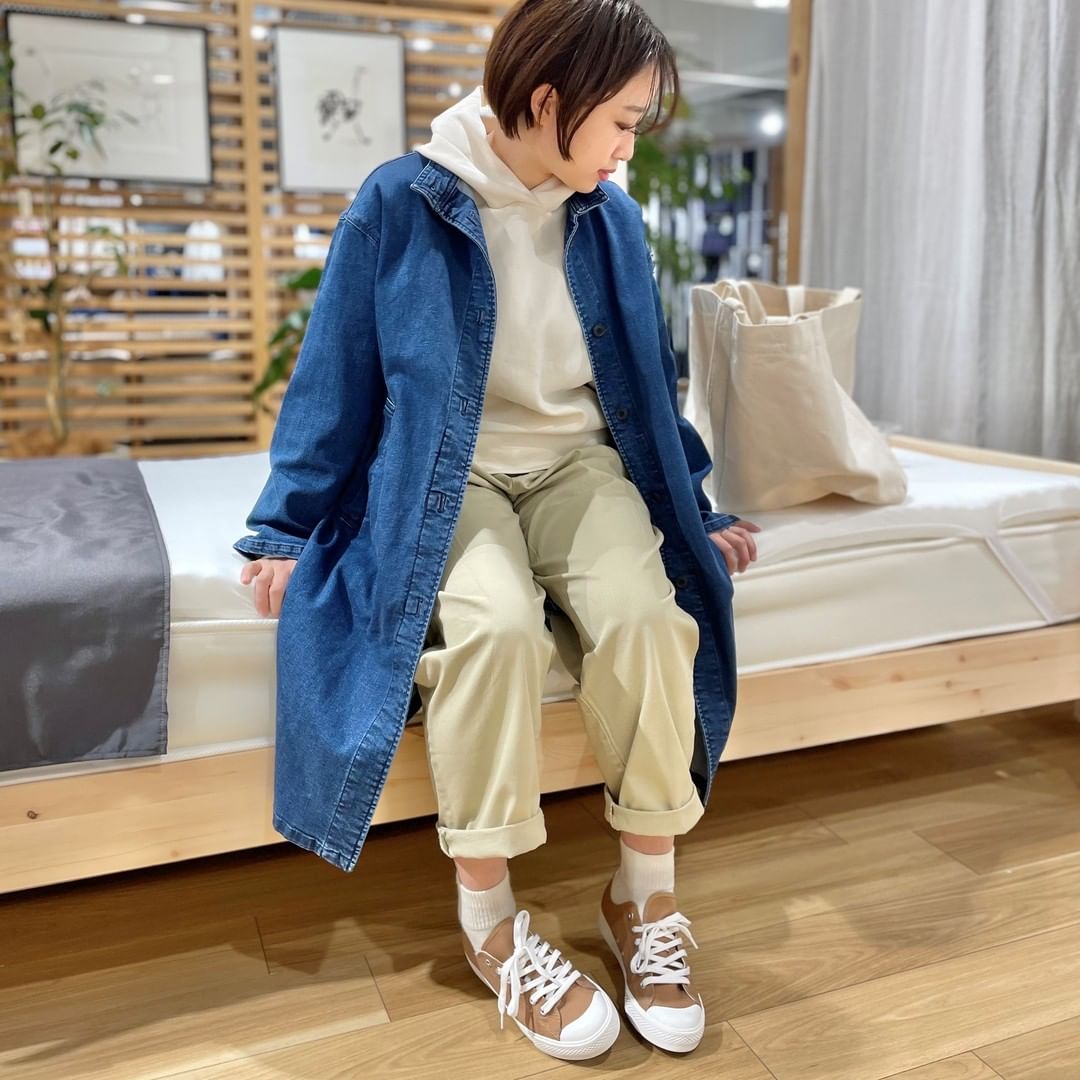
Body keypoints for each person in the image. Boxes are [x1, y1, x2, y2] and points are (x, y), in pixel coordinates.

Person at [239, 0, 760, 1061]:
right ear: (548, 99)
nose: (626, 149)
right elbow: (334, 374)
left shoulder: (607, 218)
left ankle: (643, 897)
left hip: (577, 466)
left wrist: (696, 510)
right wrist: (282, 529)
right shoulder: (402, 201)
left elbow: (647, 386)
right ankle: (490, 922)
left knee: (649, 620)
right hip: (450, 473)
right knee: (497, 630)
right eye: (622, 122)